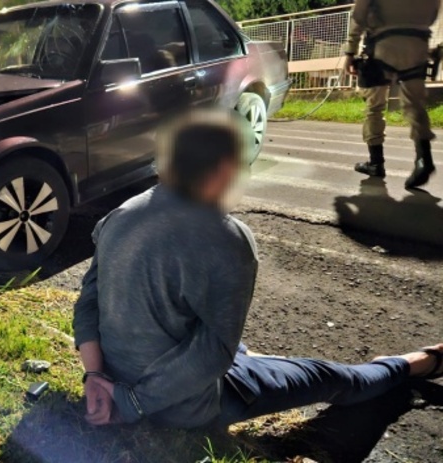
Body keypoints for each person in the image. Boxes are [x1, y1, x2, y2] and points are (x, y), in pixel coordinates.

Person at [72, 112, 443, 428]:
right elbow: (214, 351)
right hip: (184, 406)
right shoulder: (226, 239)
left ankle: (263, 364)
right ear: (222, 170)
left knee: (242, 351)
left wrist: (96, 377)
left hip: (113, 379)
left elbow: (87, 305)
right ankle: (411, 364)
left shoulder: (118, 217)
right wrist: (132, 403)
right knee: (333, 377)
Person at [343, 0, 440, 189]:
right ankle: (423, 160)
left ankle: (376, 163)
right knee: (415, 104)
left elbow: (359, 16)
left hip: (382, 45)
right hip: (417, 45)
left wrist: (350, 52)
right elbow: (433, 15)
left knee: (375, 106)